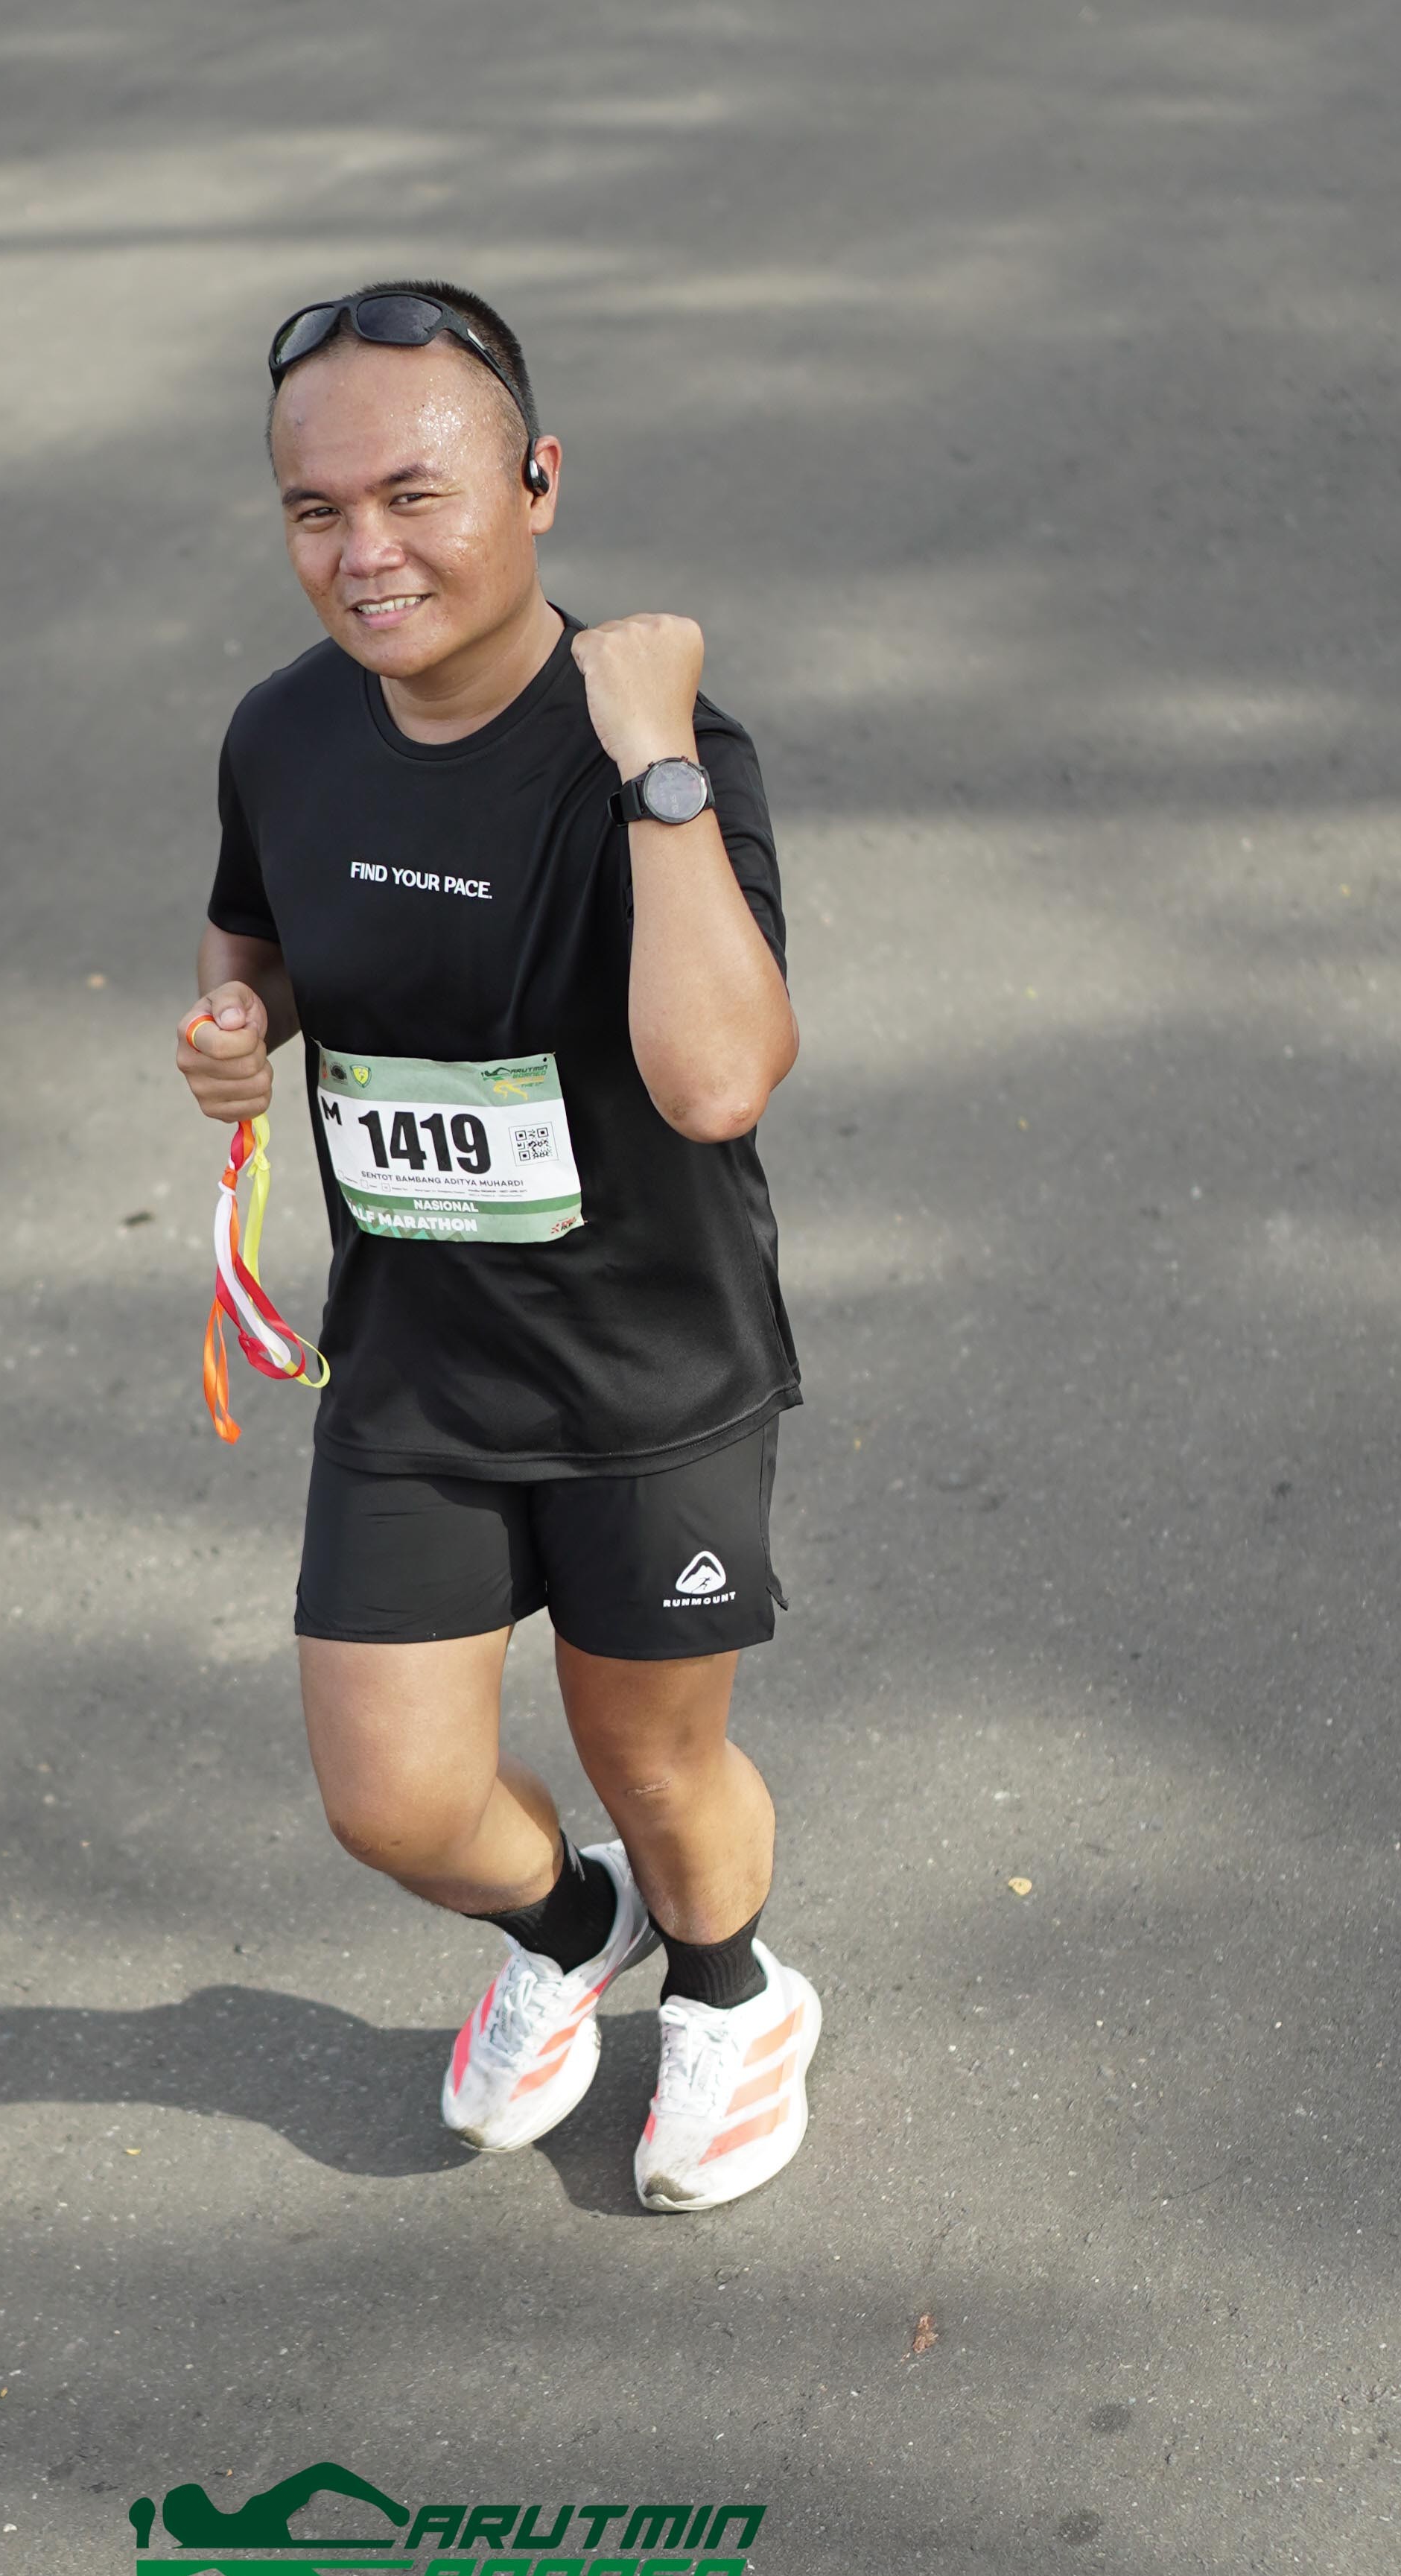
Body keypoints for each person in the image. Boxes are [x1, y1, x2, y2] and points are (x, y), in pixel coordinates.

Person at [176, 282, 819, 2214]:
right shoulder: (286, 732)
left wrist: (649, 752)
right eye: (315, 512)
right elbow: (259, 927)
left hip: (647, 1376)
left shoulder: (668, 757)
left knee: (655, 1759)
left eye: (414, 495)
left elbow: (719, 1078)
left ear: (537, 481)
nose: (363, 553)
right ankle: (569, 1929)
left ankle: (733, 1991)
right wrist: (241, 1022)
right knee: (395, 1800)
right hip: (418, 1361)